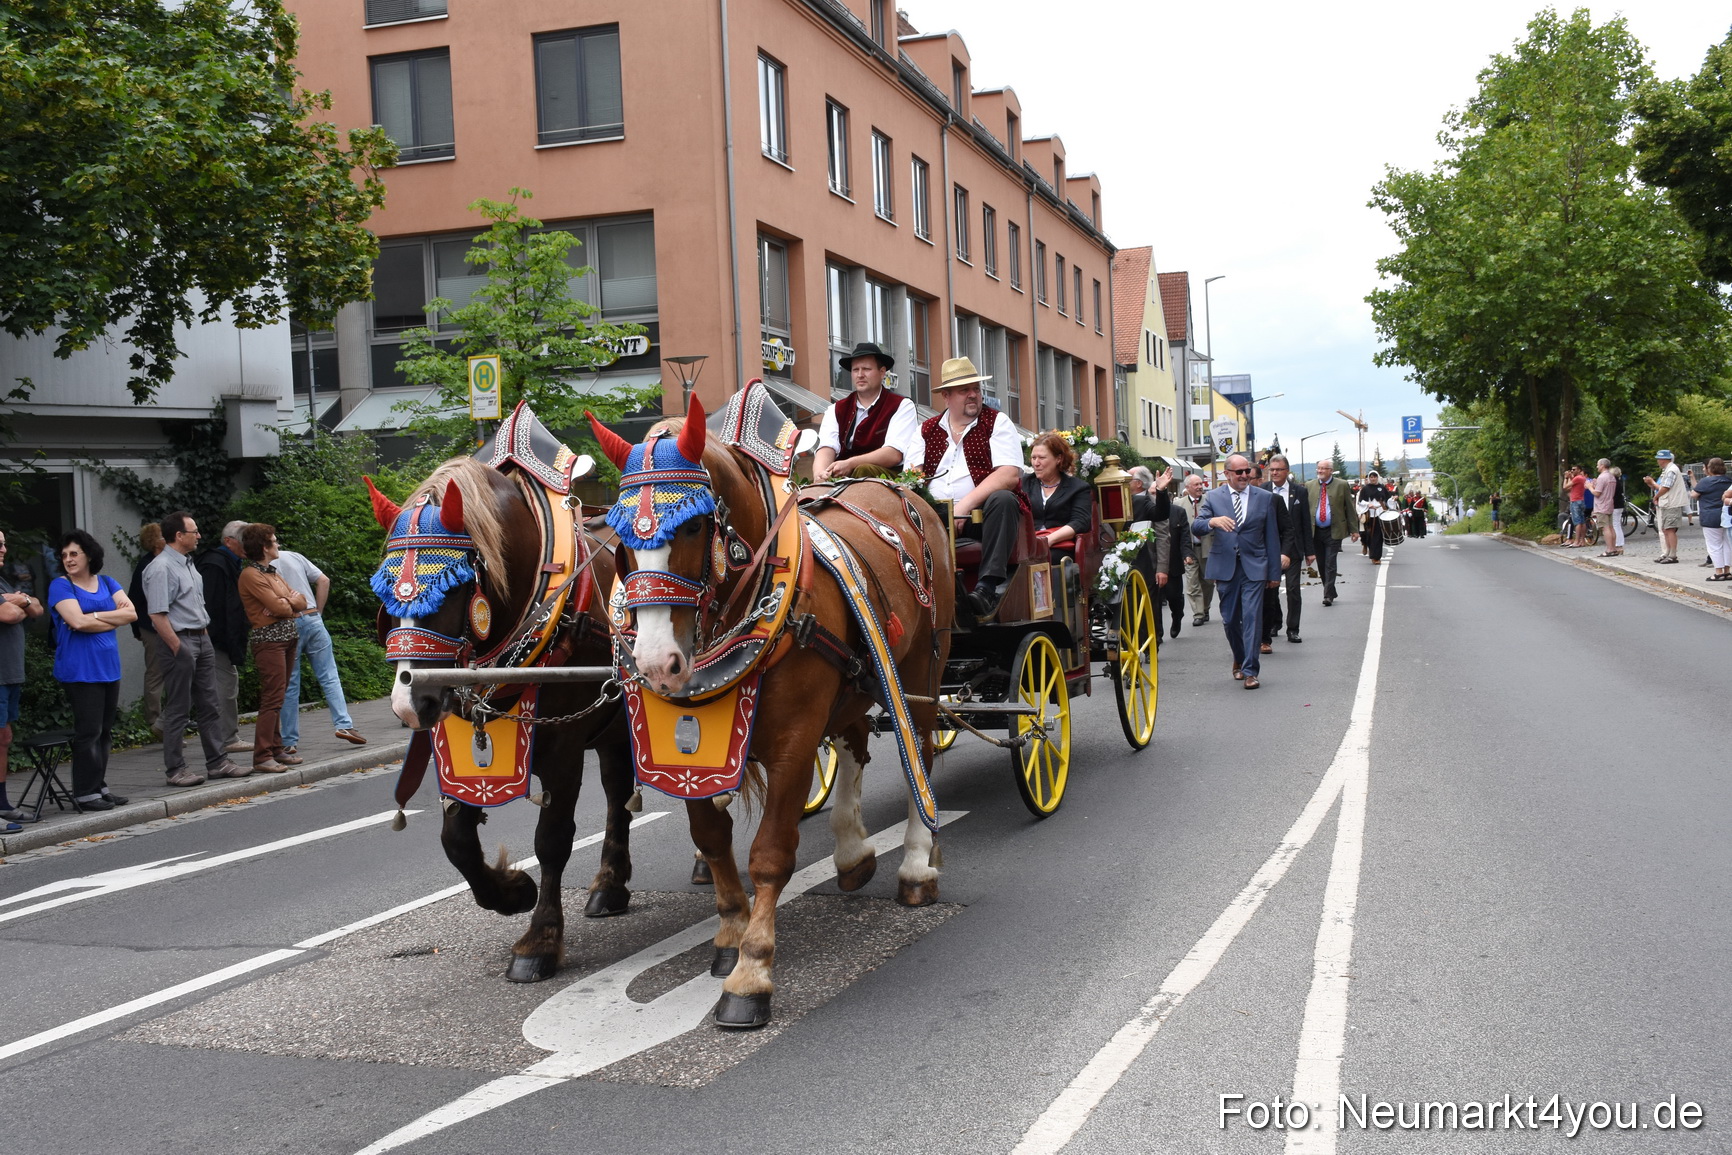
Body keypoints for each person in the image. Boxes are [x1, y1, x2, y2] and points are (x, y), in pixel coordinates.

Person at [145, 511, 249, 786]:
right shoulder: (161, 567)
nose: (199, 535)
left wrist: (202, 639)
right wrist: (178, 647)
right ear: (179, 536)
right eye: (194, 531)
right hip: (180, 640)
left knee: (210, 703)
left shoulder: (188, 563)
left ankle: (217, 763)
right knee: (179, 708)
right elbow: (157, 615)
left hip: (202, 639)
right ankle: (175, 770)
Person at [916, 357, 1024, 618]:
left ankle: (987, 588)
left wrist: (964, 506)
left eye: (976, 388)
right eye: (965, 390)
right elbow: (913, 477)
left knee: (1004, 498)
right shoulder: (926, 430)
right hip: (936, 516)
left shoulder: (997, 422)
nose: (974, 395)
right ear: (946, 396)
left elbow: (1009, 474)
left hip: (982, 517)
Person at [49, 530, 136, 810]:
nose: (68, 559)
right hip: (79, 669)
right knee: (89, 731)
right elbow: (77, 623)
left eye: (74, 553)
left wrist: (94, 616)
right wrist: (111, 618)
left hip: (109, 667)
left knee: (105, 731)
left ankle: (99, 786)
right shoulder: (62, 586)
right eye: (64, 555)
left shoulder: (107, 581)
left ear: (89, 555)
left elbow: (131, 614)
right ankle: (85, 793)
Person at [1193, 454, 1293, 690]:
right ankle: (1238, 656)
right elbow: (1196, 526)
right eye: (1239, 472)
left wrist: (1274, 574)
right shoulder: (1213, 497)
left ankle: (1250, 670)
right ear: (1227, 474)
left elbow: (1271, 537)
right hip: (1226, 567)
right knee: (1229, 620)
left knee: (1252, 617)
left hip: (1255, 567)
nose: (1244, 476)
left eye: (1247, 471)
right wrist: (1213, 522)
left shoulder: (1265, 498)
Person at [274, 545, 367, 752]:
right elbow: (324, 580)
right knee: (329, 674)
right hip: (313, 618)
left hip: (288, 622)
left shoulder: (260, 567)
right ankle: (344, 725)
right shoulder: (295, 556)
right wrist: (318, 611)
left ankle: (289, 741)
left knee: (290, 682)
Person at [237, 524, 307, 772]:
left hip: (287, 637)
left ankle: (276, 749)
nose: (278, 544)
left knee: (280, 696)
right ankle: (262, 755)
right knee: (272, 698)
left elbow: (302, 600)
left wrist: (286, 602)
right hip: (269, 641)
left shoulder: (272, 573)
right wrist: (288, 604)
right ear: (264, 547)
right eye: (274, 541)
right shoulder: (251, 575)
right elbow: (281, 608)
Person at [812, 342, 920, 483]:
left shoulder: (902, 406)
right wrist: (820, 473)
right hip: (843, 478)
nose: (860, 375)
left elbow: (894, 454)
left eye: (866, 369)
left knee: (863, 470)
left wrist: (850, 464)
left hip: (886, 479)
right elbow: (826, 446)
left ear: (882, 373)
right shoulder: (836, 409)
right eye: (855, 370)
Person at [0, 529, 47, 828]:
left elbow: (38, 609)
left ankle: (2, 803)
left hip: (9, 674)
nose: (2, 549)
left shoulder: (3, 582)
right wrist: (22, 604)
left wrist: (19, 600)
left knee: (4, 738)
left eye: (3, 543)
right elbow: (8, 616)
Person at [197, 520, 251, 754]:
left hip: (219, 637)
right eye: (243, 541)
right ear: (229, 542)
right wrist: (221, 638)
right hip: (216, 639)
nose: (247, 547)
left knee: (200, 686)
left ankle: (163, 724)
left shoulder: (226, 563)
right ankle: (228, 738)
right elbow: (213, 605)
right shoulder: (216, 565)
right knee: (226, 686)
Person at [1260, 454, 1313, 648]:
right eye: (1271, 470)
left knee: (1292, 589)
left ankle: (1293, 629)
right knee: (1271, 590)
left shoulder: (1299, 492)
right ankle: (1274, 623)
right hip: (1270, 548)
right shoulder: (1262, 490)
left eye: (1278, 469)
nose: (1274, 473)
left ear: (1287, 471)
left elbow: (1305, 522)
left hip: (1293, 548)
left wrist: (1310, 550)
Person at [1129, 465, 1182, 640]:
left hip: (1149, 561)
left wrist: (1162, 568)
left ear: (1137, 483)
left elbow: (1162, 536)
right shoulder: (1119, 500)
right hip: (1125, 560)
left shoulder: (1151, 501)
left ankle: (1155, 637)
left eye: (1127, 477)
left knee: (1152, 603)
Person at [126, 522, 168, 733]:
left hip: (166, 626)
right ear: (155, 541)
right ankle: (155, 722)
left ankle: (171, 720)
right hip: (151, 628)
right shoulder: (146, 566)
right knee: (156, 672)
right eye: (164, 535)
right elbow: (134, 600)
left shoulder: (165, 562)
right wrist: (138, 629)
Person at [1023, 433, 1094, 548]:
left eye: (1041, 458)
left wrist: (1048, 540)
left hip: (1058, 546)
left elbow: (1080, 522)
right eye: (1033, 458)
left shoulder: (1078, 488)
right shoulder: (1024, 483)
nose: (1036, 463)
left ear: (1058, 459)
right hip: (1027, 547)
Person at [1306, 460, 1358, 608]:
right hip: (1315, 531)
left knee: (1330, 562)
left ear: (1331, 470)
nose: (1320, 471)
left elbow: (1349, 507)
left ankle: (1327, 595)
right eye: (1318, 468)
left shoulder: (1341, 485)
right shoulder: (1310, 486)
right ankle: (1330, 590)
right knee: (1321, 564)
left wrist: (1354, 530)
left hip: (1334, 530)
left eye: (1323, 468)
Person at [1178, 473, 1214, 625]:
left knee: (1208, 582)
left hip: (1208, 548)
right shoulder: (1178, 504)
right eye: (1196, 485)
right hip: (1189, 549)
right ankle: (1198, 614)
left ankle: (1205, 608)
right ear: (1187, 487)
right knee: (1192, 583)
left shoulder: (1211, 501)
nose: (1200, 487)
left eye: (1201, 484)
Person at [1643, 451, 1688, 564]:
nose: (1657, 461)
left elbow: (1666, 487)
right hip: (1667, 503)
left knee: (1670, 529)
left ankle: (1672, 555)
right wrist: (1652, 484)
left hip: (1672, 503)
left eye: (1658, 459)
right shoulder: (1667, 470)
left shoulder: (1671, 470)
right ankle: (1667, 553)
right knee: (1665, 529)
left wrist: (1656, 495)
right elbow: (1662, 486)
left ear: (1663, 459)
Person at [1694, 458, 1730, 582]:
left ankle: (1718, 572)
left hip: (1710, 516)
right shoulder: (1729, 480)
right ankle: (1727, 571)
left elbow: (1693, 494)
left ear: (1710, 468)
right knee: (1727, 544)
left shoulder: (1705, 482)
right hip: (1727, 516)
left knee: (1714, 545)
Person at [1358, 471, 1393, 565]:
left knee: (1378, 536)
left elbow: (1388, 500)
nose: (1373, 478)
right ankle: (1371, 552)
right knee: (1369, 535)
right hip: (1369, 515)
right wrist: (1368, 504)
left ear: (1377, 477)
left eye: (1374, 477)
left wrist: (1393, 500)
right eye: (1371, 477)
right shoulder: (1365, 489)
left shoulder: (1382, 488)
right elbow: (1360, 501)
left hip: (1380, 514)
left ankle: (1376, 556)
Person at [1588, 459, 1618, 556]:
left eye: (1598, 465)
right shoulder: (1611, 476)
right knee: (1611, 527)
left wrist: (1589, 487)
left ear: (1602, 465)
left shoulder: (1602, 477)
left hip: (1601, 505)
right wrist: (1595, 484)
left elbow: (1597, 493)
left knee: (1605, 528)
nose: (1597, 467)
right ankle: (1613, 548)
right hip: (1609, 504)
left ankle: (1609, 549)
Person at [1563, 466, 1590, 547]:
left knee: (1577, 522)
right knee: (1582, 521)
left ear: (1579, 470)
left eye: (1574, 469)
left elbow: (1565, 487)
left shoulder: (1577, 478)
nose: (1572, 471)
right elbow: (1574, 485)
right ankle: (1582, 541)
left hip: (1575, 501)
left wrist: (1566, 478)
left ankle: (1577, 541)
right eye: (1571, 469)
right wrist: (1571, 476)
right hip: (1581, 501)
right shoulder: (1582, 478)